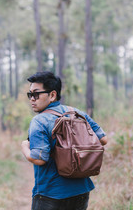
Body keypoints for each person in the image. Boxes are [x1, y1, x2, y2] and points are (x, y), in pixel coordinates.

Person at [21, 71, 108, 210]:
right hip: (81, 191)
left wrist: (25, 147)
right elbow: (103, 139)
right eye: (30, 94)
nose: (32, 99)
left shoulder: (39, 121)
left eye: (36, 94)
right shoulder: (77, 113)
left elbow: (39, 159)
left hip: (50, 193)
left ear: (52, 95)